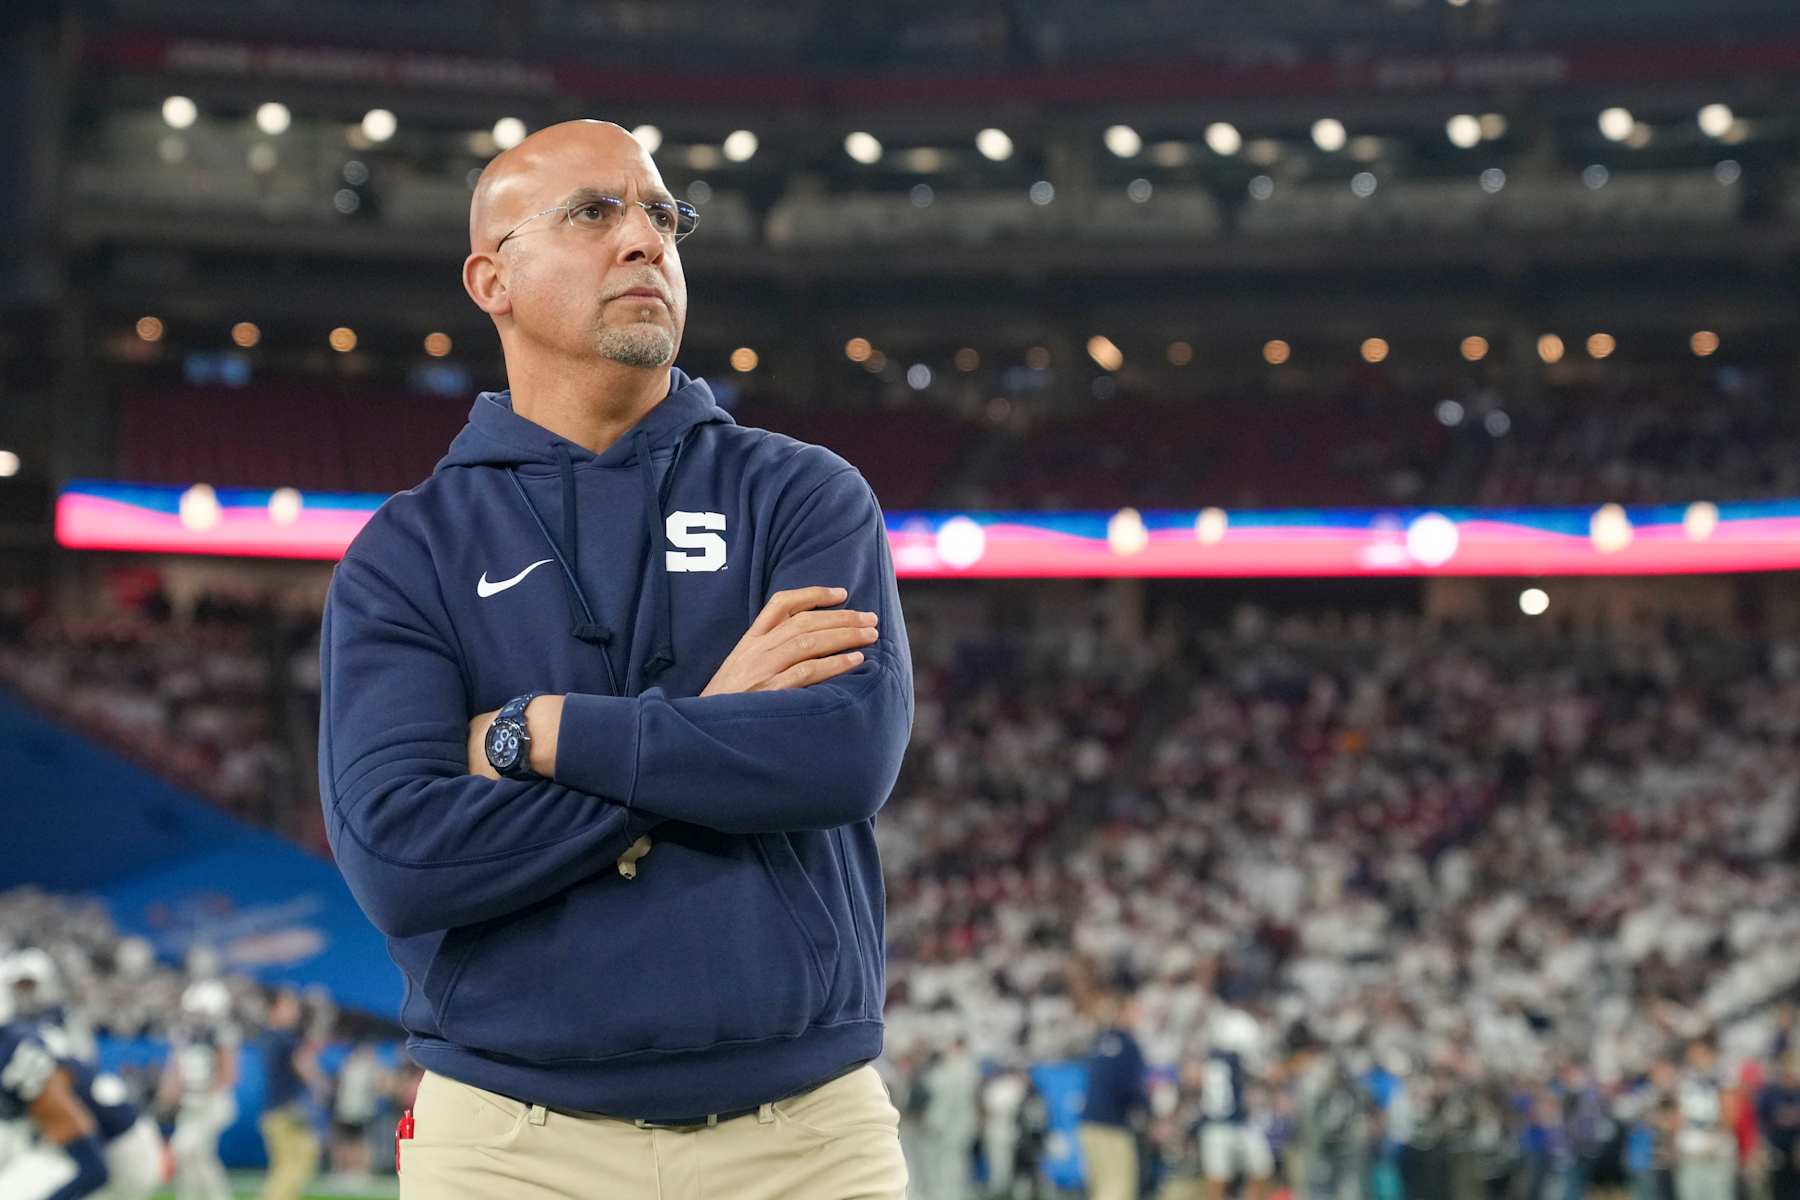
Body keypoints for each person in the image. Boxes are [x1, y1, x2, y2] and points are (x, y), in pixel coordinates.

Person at [318, 118, 913, 1200]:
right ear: (490, 279)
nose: (644, 238)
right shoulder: (406, 553)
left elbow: (842, 758)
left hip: (804, 1138)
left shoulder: (802, 494)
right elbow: (402, 859)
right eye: (595, 212)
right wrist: (714, 726)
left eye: (660, 213)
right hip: (510, 1142)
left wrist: (540, 733)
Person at [0, 1012, 164, 1200]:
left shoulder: (15, 1059)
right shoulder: (16, 1036)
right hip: (103, 1141)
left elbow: (94, 1171)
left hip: (118, 1153)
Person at [159, 980, 238, 1200]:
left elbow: (229, 1074)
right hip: (191, 1101)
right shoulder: (184, 1034)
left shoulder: (222, 1034)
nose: (195, 1017)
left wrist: (208, 1096)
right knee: (191, 1156)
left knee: (191, 1152)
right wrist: (169, 1092)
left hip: (213, 1102)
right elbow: (175, 1066)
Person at [255, 990, 323, 1200]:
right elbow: (304, 1061)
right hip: (286, 1110)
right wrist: (319, 1085)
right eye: (289, 1006)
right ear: (275, 1009)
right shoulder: (283, 1037)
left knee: (286, 1167)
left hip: (274, 1109)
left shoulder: (267, 1036)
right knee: (295, 1166)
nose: (295, 1012)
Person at [1081, 992, 1150, 1200]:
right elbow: (1132, 1088)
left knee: (1101, 1187)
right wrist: (1149, 1111)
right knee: (1118, 1188)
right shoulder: (1129, 1046)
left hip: (1089, 1124)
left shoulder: (1101, 1041)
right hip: (1113, 1127)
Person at [918, 1039, 980, 1200]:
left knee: (946, 1165)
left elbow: (944, 1102)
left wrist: (934, 1122)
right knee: (956, 1163)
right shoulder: (968, 1070)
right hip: (961, 1125)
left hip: (949, 1127)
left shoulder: (951, 1073)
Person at [1759, 1053, 1800, 1200]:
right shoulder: (1771, 1093)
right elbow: (1762, 1119)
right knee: (1779, 1189)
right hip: (1777, 1149)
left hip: (1796, 1149)